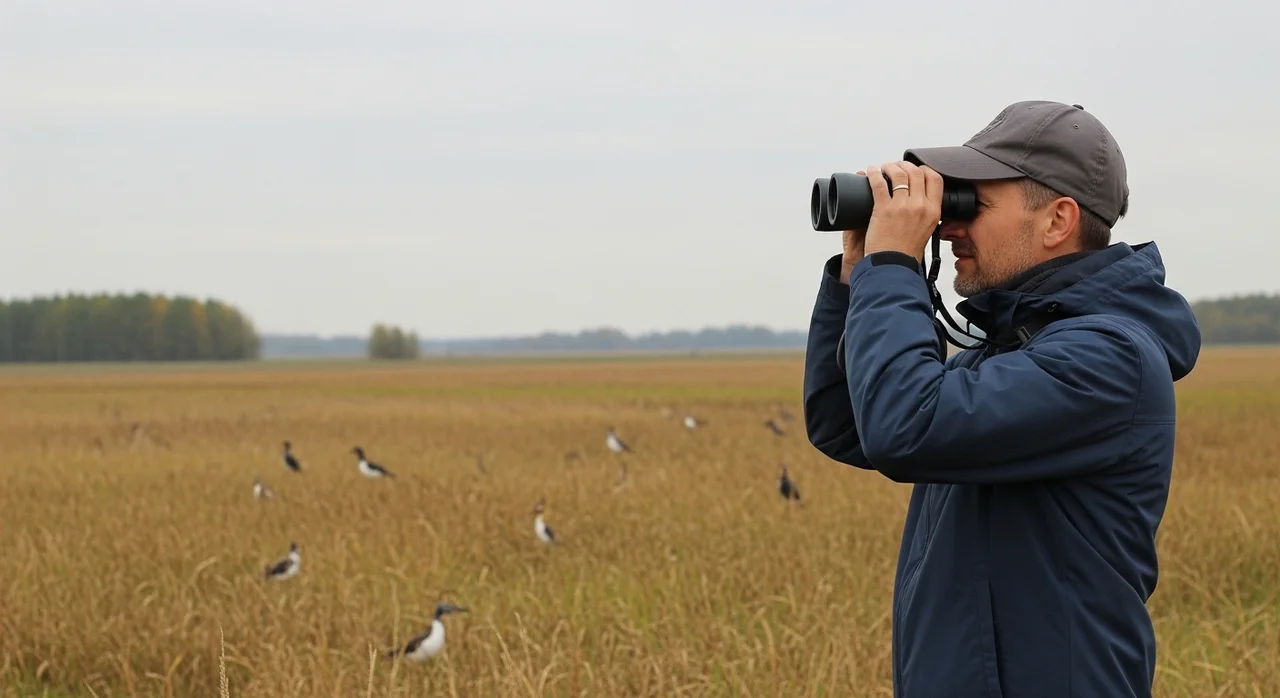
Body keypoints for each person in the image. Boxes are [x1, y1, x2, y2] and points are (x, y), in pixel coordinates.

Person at [802, 100, 1201, 698]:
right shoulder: (1012, 354)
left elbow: (903, 426)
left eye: (972, 205)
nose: (950, 225)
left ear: (1057, 221)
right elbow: (846, 423)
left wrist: (894, 264)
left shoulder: (1107, 361)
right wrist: (857, 275)